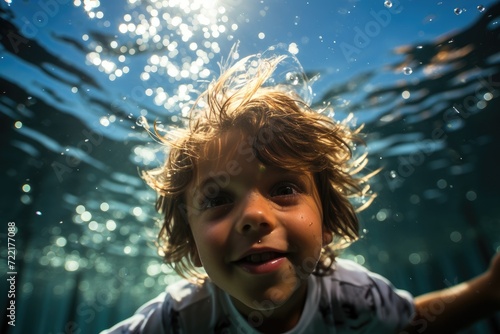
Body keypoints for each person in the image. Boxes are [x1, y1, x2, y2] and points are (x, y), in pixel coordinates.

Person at [101, 46, 500, 333]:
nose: (255, 216)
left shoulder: (352, 296)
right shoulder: (177, 320)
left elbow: (410, 322)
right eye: (219, 199)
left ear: (327, 220)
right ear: (190, 242)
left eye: (285, 188)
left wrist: (489, 290)